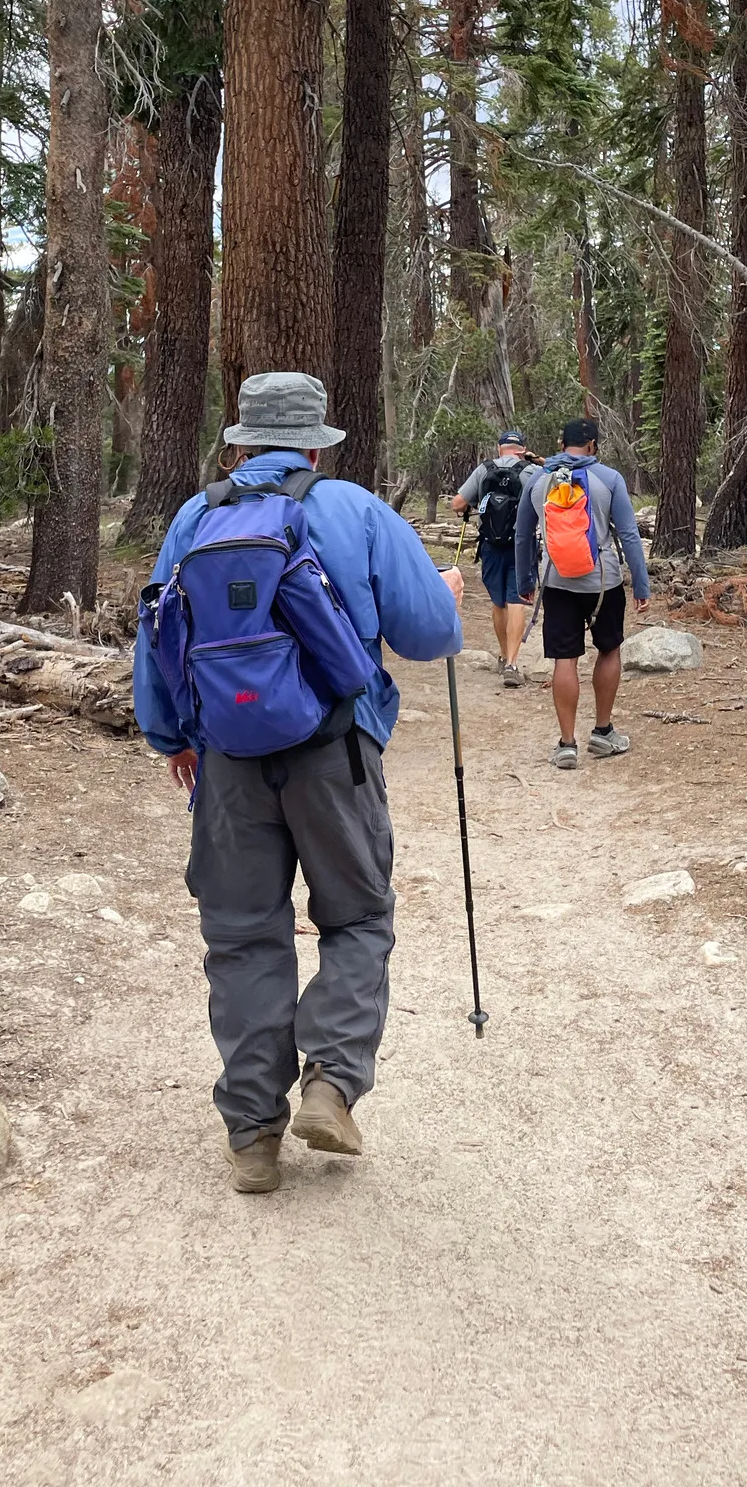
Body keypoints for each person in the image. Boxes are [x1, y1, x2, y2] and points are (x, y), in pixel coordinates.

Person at [134, 371, 465, 1195]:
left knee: (244, 935)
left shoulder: (195, 517)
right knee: (356, 917)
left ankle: (252, 1132)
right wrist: (448, 596)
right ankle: (330, 1082)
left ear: (240, 443)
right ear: (316, 443)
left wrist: (173, 735)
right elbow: (429, 637)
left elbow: (156, 629)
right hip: (334, 751)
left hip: (225, 760)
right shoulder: (353, 509)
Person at [515, 416, 650, 770]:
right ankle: (603, 733)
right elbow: (629, 535)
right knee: (608, 650)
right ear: (592, 446)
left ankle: (566, 745)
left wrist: (524, 582)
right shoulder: (609, 479)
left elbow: (522, 535)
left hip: (557, 583)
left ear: (562, 445)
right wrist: (641, 582)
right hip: (603, 583)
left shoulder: (538, 480)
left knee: (565, 659)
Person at [449, 430, 540, 688]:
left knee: (498, 602)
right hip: (521, 546)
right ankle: (513, 663)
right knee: (517, 602)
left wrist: (473, 504)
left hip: (489, 545)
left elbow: (457, 504)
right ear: (522, 449)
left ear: (499, 448)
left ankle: (502, 655)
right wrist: (540, 462)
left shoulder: (484, 469)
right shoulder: (530, 471)